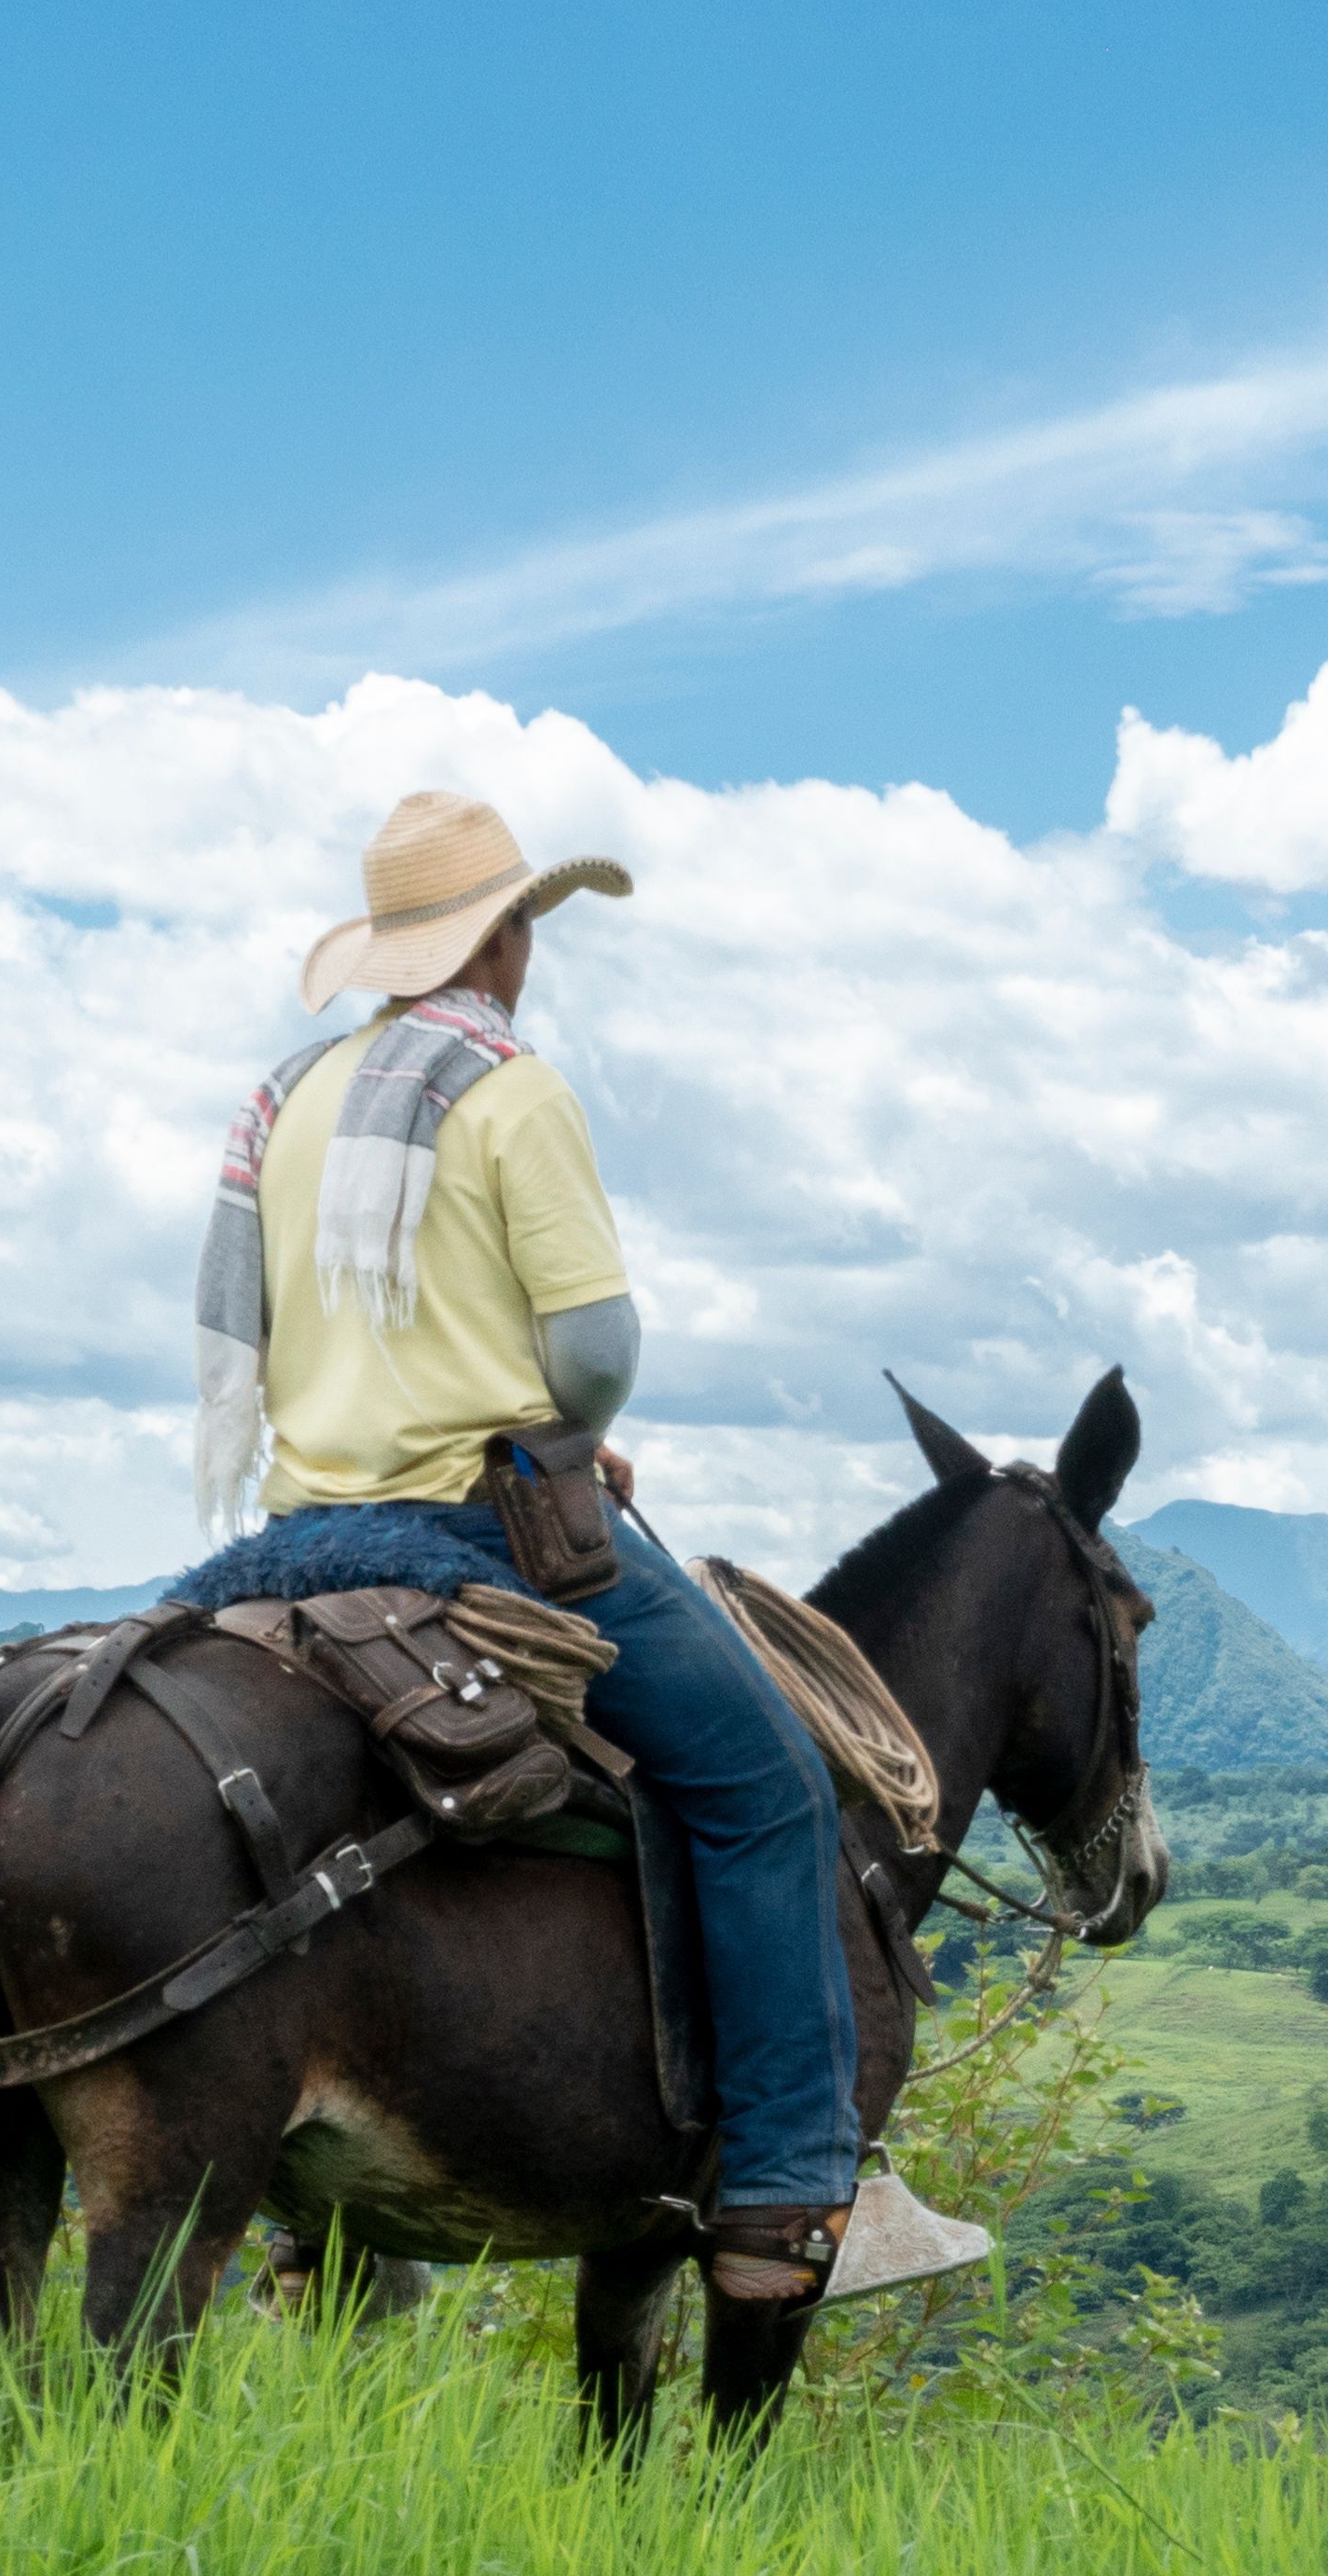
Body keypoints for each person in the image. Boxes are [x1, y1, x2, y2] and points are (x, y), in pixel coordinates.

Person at [186, 789, 937, 2305]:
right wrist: (564, 1417)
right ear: (509, 937)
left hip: (290, 1544)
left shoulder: (291, 1097)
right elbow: (592, 1359)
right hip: (480, 1530)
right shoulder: (510, 1090)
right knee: (765, 1781)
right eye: (530, 925)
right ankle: (787, 2191)